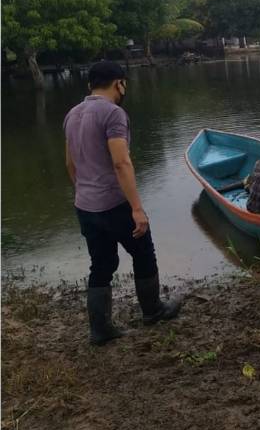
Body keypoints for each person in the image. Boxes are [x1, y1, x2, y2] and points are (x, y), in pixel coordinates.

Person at [64, 61, 181, 345]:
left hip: (85, 204)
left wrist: (83, 192)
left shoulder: (72, 114)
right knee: (143, 251)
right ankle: (152, 311)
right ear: (119, 83)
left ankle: (100, 330)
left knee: (101, 264)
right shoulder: (114, 113)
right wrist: (137, 208)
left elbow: (70, 163)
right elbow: (121, 161)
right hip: (114, 203)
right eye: (124, 84)